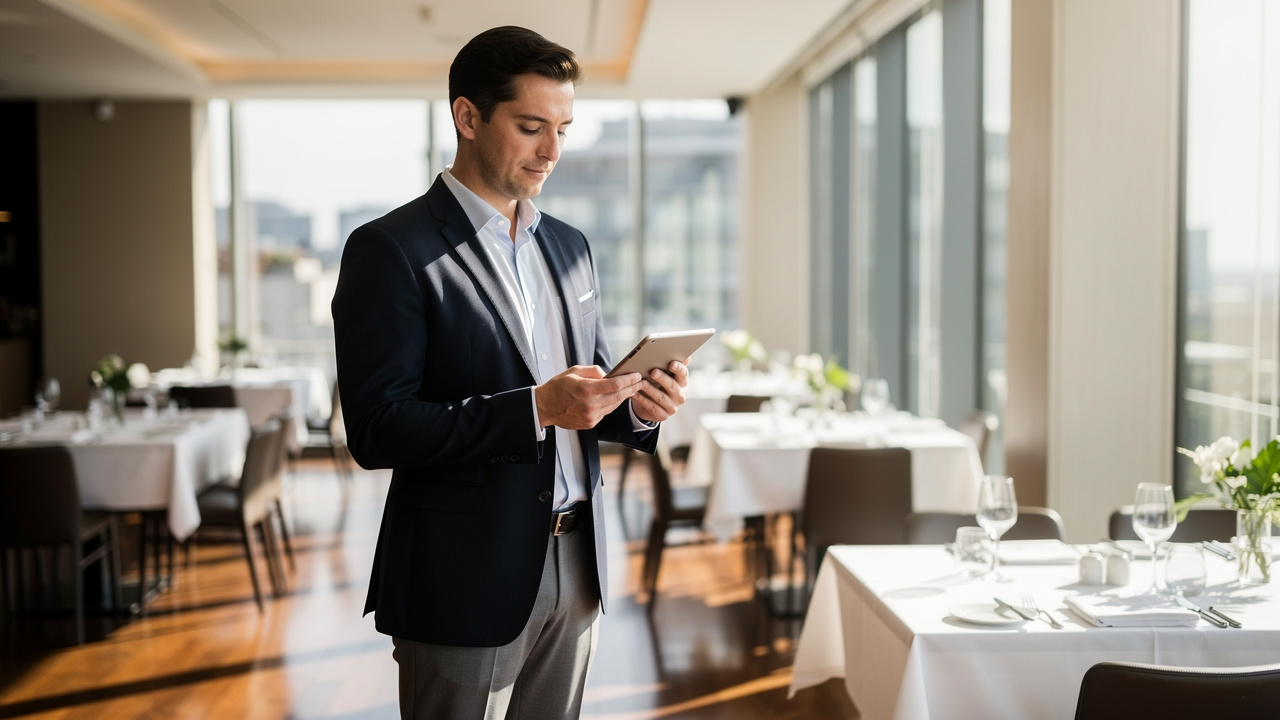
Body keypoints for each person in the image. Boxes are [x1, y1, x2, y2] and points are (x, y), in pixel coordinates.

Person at [331, 25, 689, 720]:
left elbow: (589, 392)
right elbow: (377, 429)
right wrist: (535, 410)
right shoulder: (389, 250)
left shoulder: (570, 246)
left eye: (563, 128)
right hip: (463, 573)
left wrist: (641, 404)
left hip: (577, 564)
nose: (552, 151)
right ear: (468, 117)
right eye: (531, 127)